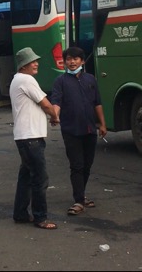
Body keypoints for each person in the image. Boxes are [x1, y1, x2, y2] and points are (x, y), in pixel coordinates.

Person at [51, 46, 106, 216]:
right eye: (68, 59)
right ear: (65, 62)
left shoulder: (90, 79)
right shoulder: (60, 81)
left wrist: (102, 124)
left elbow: (97, 103)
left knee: (87, 166)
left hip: (90, 129)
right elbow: (57, 102)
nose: (72, 62)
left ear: (82, 61)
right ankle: (78, 200)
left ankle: (81, 195)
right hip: (71, 130)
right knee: (77, 165)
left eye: (75, 59)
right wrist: (55, 115)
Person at [10, 47, 60, 230]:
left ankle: (21, 213)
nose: (36, 63)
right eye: (32, 61)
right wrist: (54, 116)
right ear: (24, 66)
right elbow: (45, 103)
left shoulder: (17, 80)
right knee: (40, 178)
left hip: (24, 136)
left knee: (26, 176)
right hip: (31, 137)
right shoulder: (27, 79)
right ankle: (40, 217)